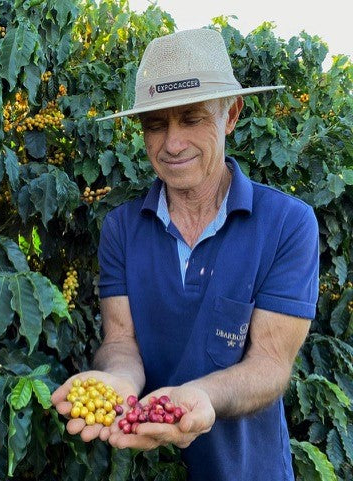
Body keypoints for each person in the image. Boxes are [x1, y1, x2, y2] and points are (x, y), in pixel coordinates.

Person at [50, 28, 319, 481]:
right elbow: (120, 342)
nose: (171, 144)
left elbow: (271, 364)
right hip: (147, 466)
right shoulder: (121, 229)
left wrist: (200, 397)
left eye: (191, 118)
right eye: (156, 124)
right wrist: (117, 382)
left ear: (230, 115)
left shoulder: (287, 224)